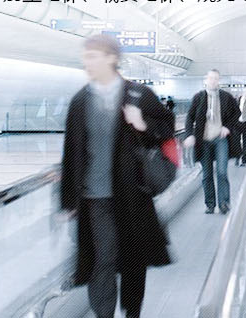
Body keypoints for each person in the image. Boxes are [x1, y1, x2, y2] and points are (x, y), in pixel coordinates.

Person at [59, 34, 175, 318]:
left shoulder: (138, 95)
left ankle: (132, 311)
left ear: (111, 58)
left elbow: (166, 128)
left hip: (131, 194)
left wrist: (142, 123)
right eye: (85, 57)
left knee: (133, 258)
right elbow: (71, 151)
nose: (87, 63)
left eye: (92, 56)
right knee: (102, 258)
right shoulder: (80, 101)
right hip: (93, 197)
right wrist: (67, 201)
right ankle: (104, 314)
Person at [185, 69, 241, 215]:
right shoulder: (198, 97)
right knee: (207, 174)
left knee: (222, 172)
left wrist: (227, 127)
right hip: (203, 141)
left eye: (216, 78)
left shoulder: (226, 97)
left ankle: (224, 203)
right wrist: (189, 135)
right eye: (211, 78)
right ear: (206, 79)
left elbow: (237, 113)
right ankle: (210, 204)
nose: (213, 81)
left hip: (220, 139)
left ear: (219, 80)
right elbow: (190, 117)